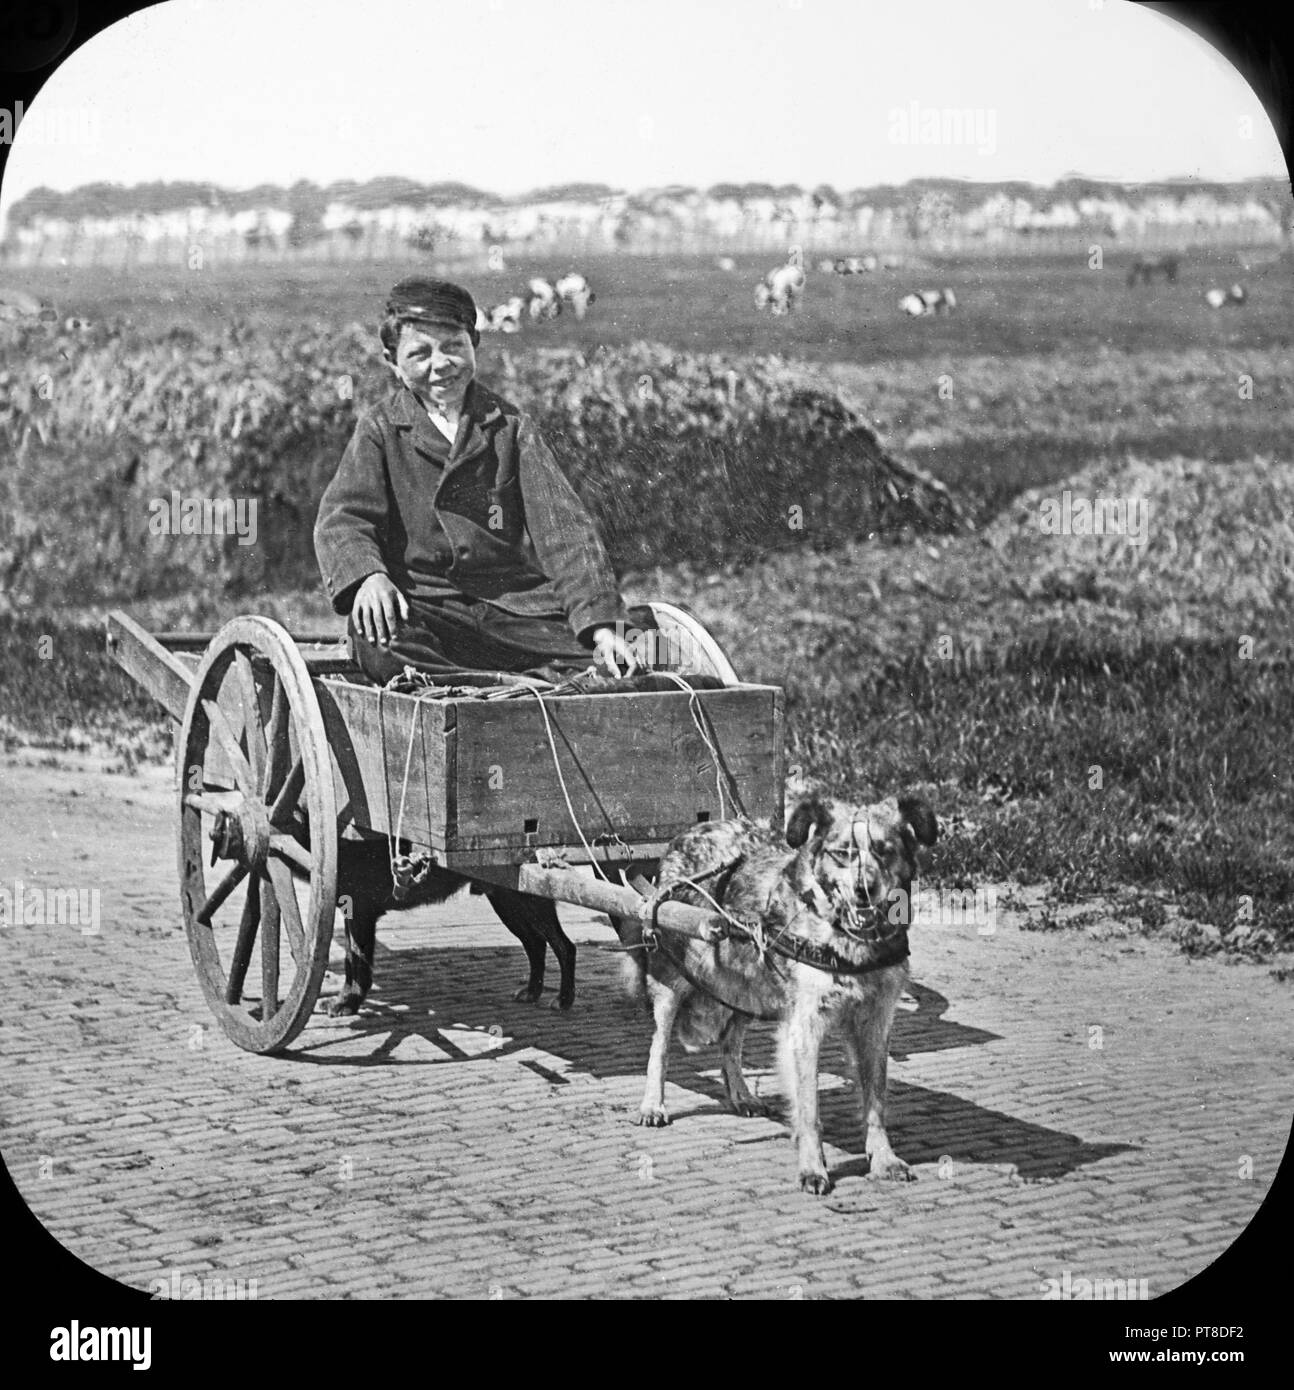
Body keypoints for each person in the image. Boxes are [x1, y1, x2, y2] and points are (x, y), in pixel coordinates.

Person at [314, 276, 645, 686]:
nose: (441, 365)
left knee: (636, 640)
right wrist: (368, 577)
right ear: (393, 363)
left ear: (474, 343)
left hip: (509, 609)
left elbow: (566, 532)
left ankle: (502, 681)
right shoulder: (381, 429)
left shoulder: (509, 427)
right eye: (420, 354)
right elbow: (344, 518)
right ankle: (496, 687)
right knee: (377, 639)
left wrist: (601, 625)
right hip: (426, 606)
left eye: (454, 346)